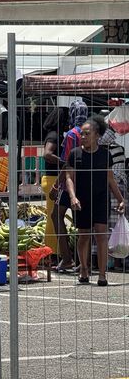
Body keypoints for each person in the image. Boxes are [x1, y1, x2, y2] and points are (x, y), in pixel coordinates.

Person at [64, 116, 125, 286]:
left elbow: (110, 179)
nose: (82, 137)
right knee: (83, 236)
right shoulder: (75, 154)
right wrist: (72, 196)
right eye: (81, 134)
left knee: (101, 235)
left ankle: (102, 274)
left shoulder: (105, 155)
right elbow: (69, 177)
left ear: (97, 135)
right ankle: (83, 268)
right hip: (81, 199)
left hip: (101, 198)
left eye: (86, 134)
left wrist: (120, 199)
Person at [49, 101, 89, 272]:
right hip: (87, 181)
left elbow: (67, 164)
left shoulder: (72, 135)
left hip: (69, 183)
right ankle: (83, 262)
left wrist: (56, 185)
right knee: (82, 223)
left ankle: (67, 258)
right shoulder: (91, 132)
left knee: (56, 215)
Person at [40, 109, 69, 268]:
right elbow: (47, 154)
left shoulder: (56, 135)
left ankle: (53, 252)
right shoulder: (53, 136)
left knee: (54, 217)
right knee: (53, 218)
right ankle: (51, 253)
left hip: (52, 178)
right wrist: (64, 161)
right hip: (52, 179)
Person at [98, 126, 127, 271]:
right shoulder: (118, 149)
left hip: (113, 189)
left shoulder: (108, 151)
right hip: (116, 189)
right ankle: (113, 261)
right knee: (112, 225)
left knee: (110, 225)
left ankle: (113, 261)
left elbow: (114, 175)